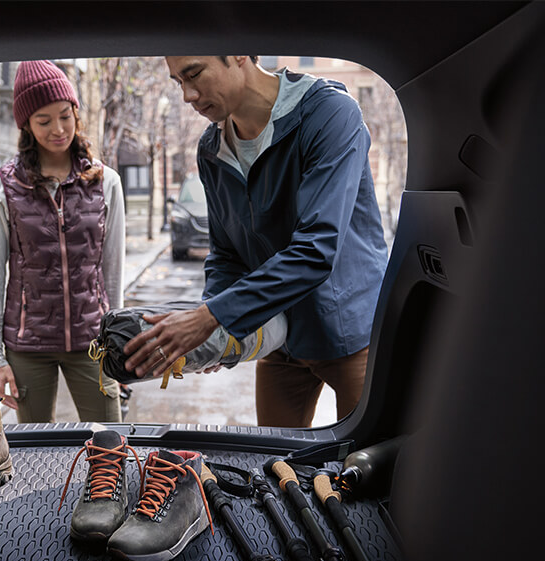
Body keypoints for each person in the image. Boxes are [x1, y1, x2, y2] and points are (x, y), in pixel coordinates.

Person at [124, 56, 388, 427]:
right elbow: (225, 255)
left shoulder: (330, 115)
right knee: (275, 467)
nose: (186, 94)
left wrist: (211, 317)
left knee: (365, 471)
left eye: (193, 74)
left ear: (237, 54)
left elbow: (315, 250)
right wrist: (216, 333)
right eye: (176, 82)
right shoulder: (211, 149)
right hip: (279, 335)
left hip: (351, 335)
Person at [0, 60, 124, 423]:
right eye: (43, 121)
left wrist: (117, 343)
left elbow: (112, 272)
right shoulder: (1, 186)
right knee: (33, 447)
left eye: (65, 115)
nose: (58, 129)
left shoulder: (106, 181)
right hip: (27, 346)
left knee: (111, 441)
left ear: (76, 111)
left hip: (93, 343)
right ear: (26, 125)